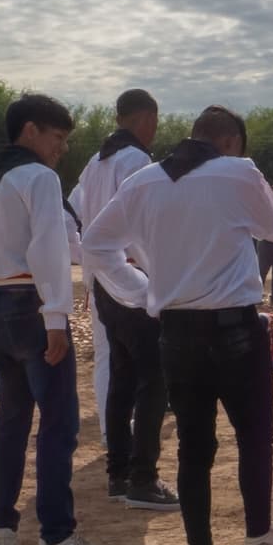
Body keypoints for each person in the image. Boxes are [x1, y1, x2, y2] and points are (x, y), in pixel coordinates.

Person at [82, 105, 273, 545]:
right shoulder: (238, 172)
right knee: (254, 438)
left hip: (176, 330)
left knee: (194, 447)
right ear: (230, 142)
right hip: (235, 328)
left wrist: (142, 291)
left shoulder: (143, 182)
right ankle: (260, 541)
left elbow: (95, 242)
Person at [0, 94, 119, 545]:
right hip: (33, 303)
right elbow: (50, 249)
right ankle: (57, 537)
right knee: (58, 424)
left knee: (12, 420)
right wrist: (56, 317)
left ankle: (2, 526)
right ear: (30, 130)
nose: (62, 148)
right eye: (58, 137)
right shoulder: (39, 177)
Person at [69, 88, 177, 508]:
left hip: (103, 280)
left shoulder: (95, 162)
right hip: (131, 278)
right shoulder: (135, 161)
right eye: (155, 122)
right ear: (147, 118)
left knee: (121, 377)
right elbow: (144, 226)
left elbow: (76, 212)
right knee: (153, 379)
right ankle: (143, 479)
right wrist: (158, 278)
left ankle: (118, 473)